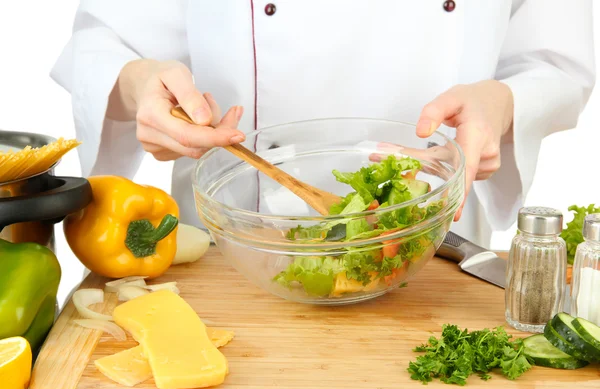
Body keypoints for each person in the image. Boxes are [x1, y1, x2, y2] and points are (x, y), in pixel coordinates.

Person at [51, 0, 595, 248]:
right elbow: (102, 40)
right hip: (231, 248)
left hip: (433, 246)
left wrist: (503, 102)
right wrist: (137, 84)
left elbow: (557, 60)